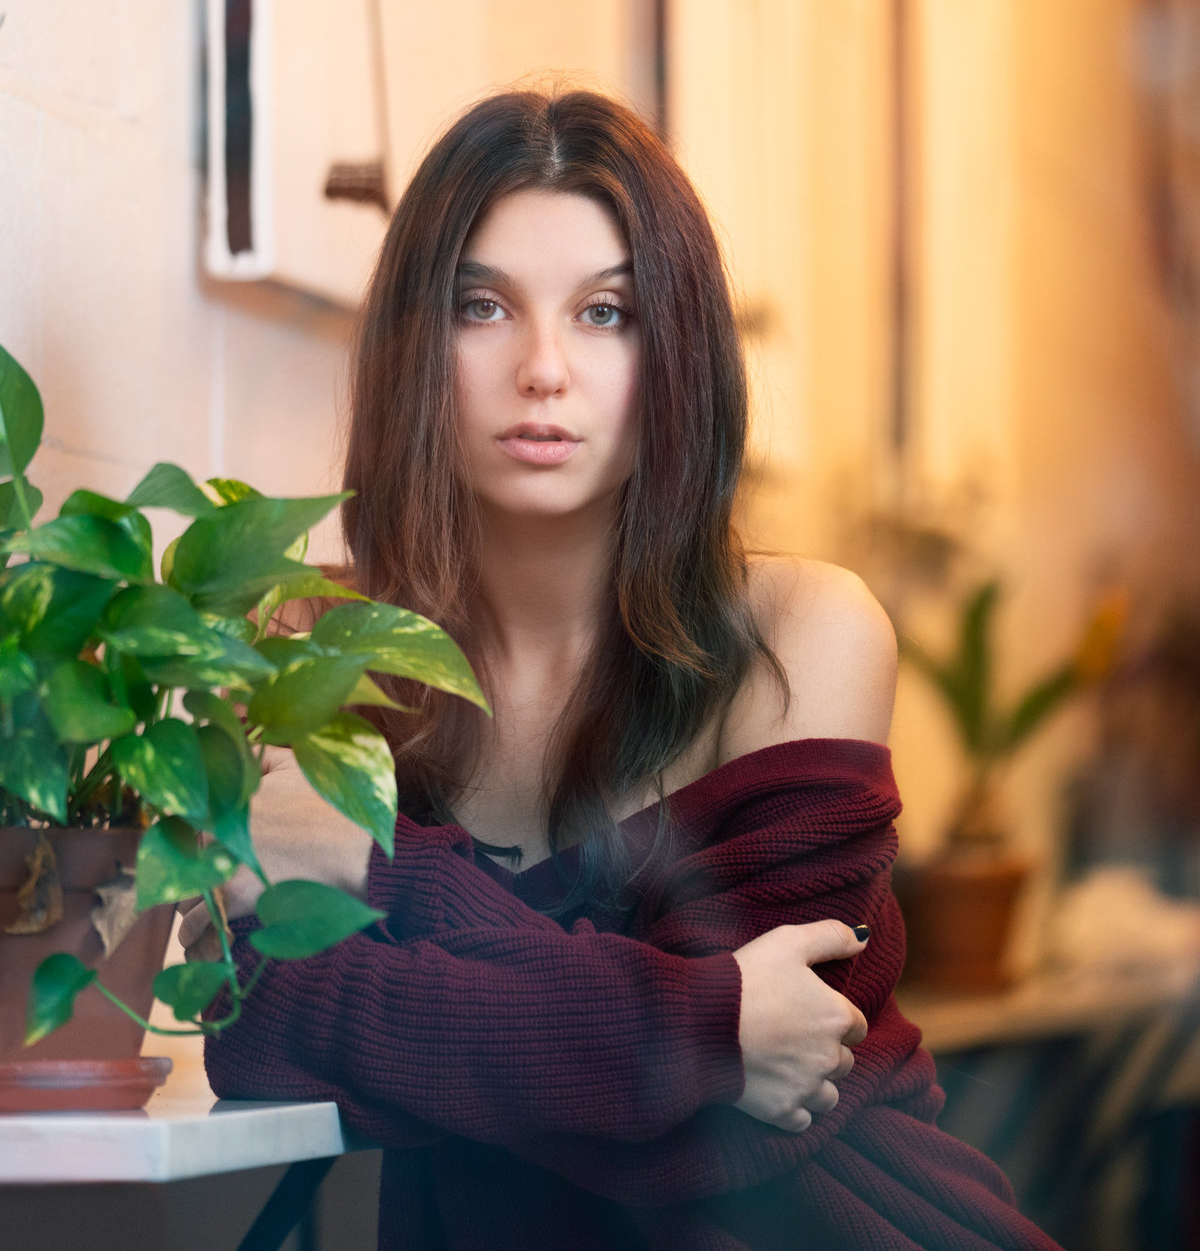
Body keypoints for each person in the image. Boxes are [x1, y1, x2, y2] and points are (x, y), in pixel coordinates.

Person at [191, 89, 1059, 1250]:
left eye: (606, 312)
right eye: (482, 306)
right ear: (413, 346)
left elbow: (752, 1127)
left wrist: (384, 877)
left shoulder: (804, 634)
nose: (543, 367)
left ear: (678, 351)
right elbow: (261, 1024)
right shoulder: (323, 645)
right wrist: (709, 1024)